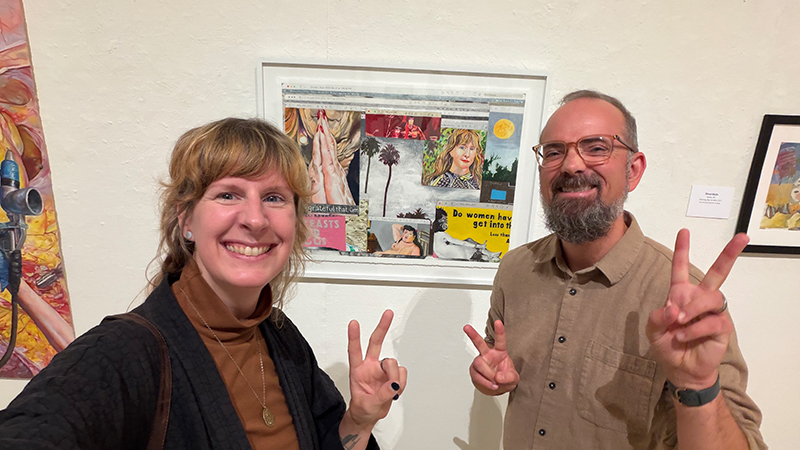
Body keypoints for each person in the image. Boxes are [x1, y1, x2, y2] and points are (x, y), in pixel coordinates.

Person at [0, 118, 407, 450]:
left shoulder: (281, 338)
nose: (255, 219)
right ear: (186, 220)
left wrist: (359, 420)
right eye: (228, 195)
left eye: (274, 197)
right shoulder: (124, 352)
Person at [463, 91, 766, 449]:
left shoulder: (685, 300)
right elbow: (500, 358)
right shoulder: (515, 269)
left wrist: (698, 386)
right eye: (554, 151)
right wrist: (493, 377)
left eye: (596, 147)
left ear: (632, 170)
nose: (571, 165)